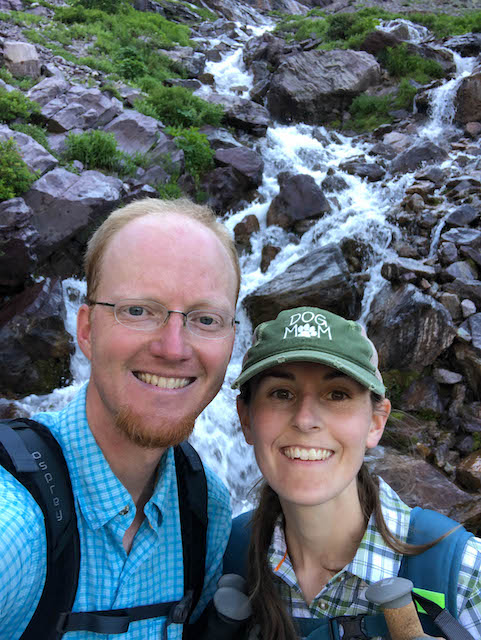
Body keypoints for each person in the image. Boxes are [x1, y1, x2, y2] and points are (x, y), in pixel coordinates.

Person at [0, 197, 240, 639]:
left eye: (206, 319)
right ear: (87, 330)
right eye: (137, 310)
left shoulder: (207, 511)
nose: (173, 348)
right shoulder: (13, 522)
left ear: (231, 341)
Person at [228, 306, 481, 640]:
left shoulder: (464, 572)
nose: (305, 420)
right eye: (281, 393)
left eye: (337, 394)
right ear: (246, 419)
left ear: (376, 423)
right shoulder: (227, 552)